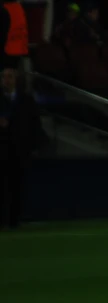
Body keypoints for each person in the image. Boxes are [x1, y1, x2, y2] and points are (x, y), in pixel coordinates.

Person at [0, 66, 42, 229]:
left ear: (16, 80)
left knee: (17, 186)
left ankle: (14, 220)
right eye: (4, 77)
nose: (7, 80)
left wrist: (32, 145)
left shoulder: (26, 99)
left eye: (10, 77)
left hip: (19, 149)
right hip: (2, 149)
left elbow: (34, 123)